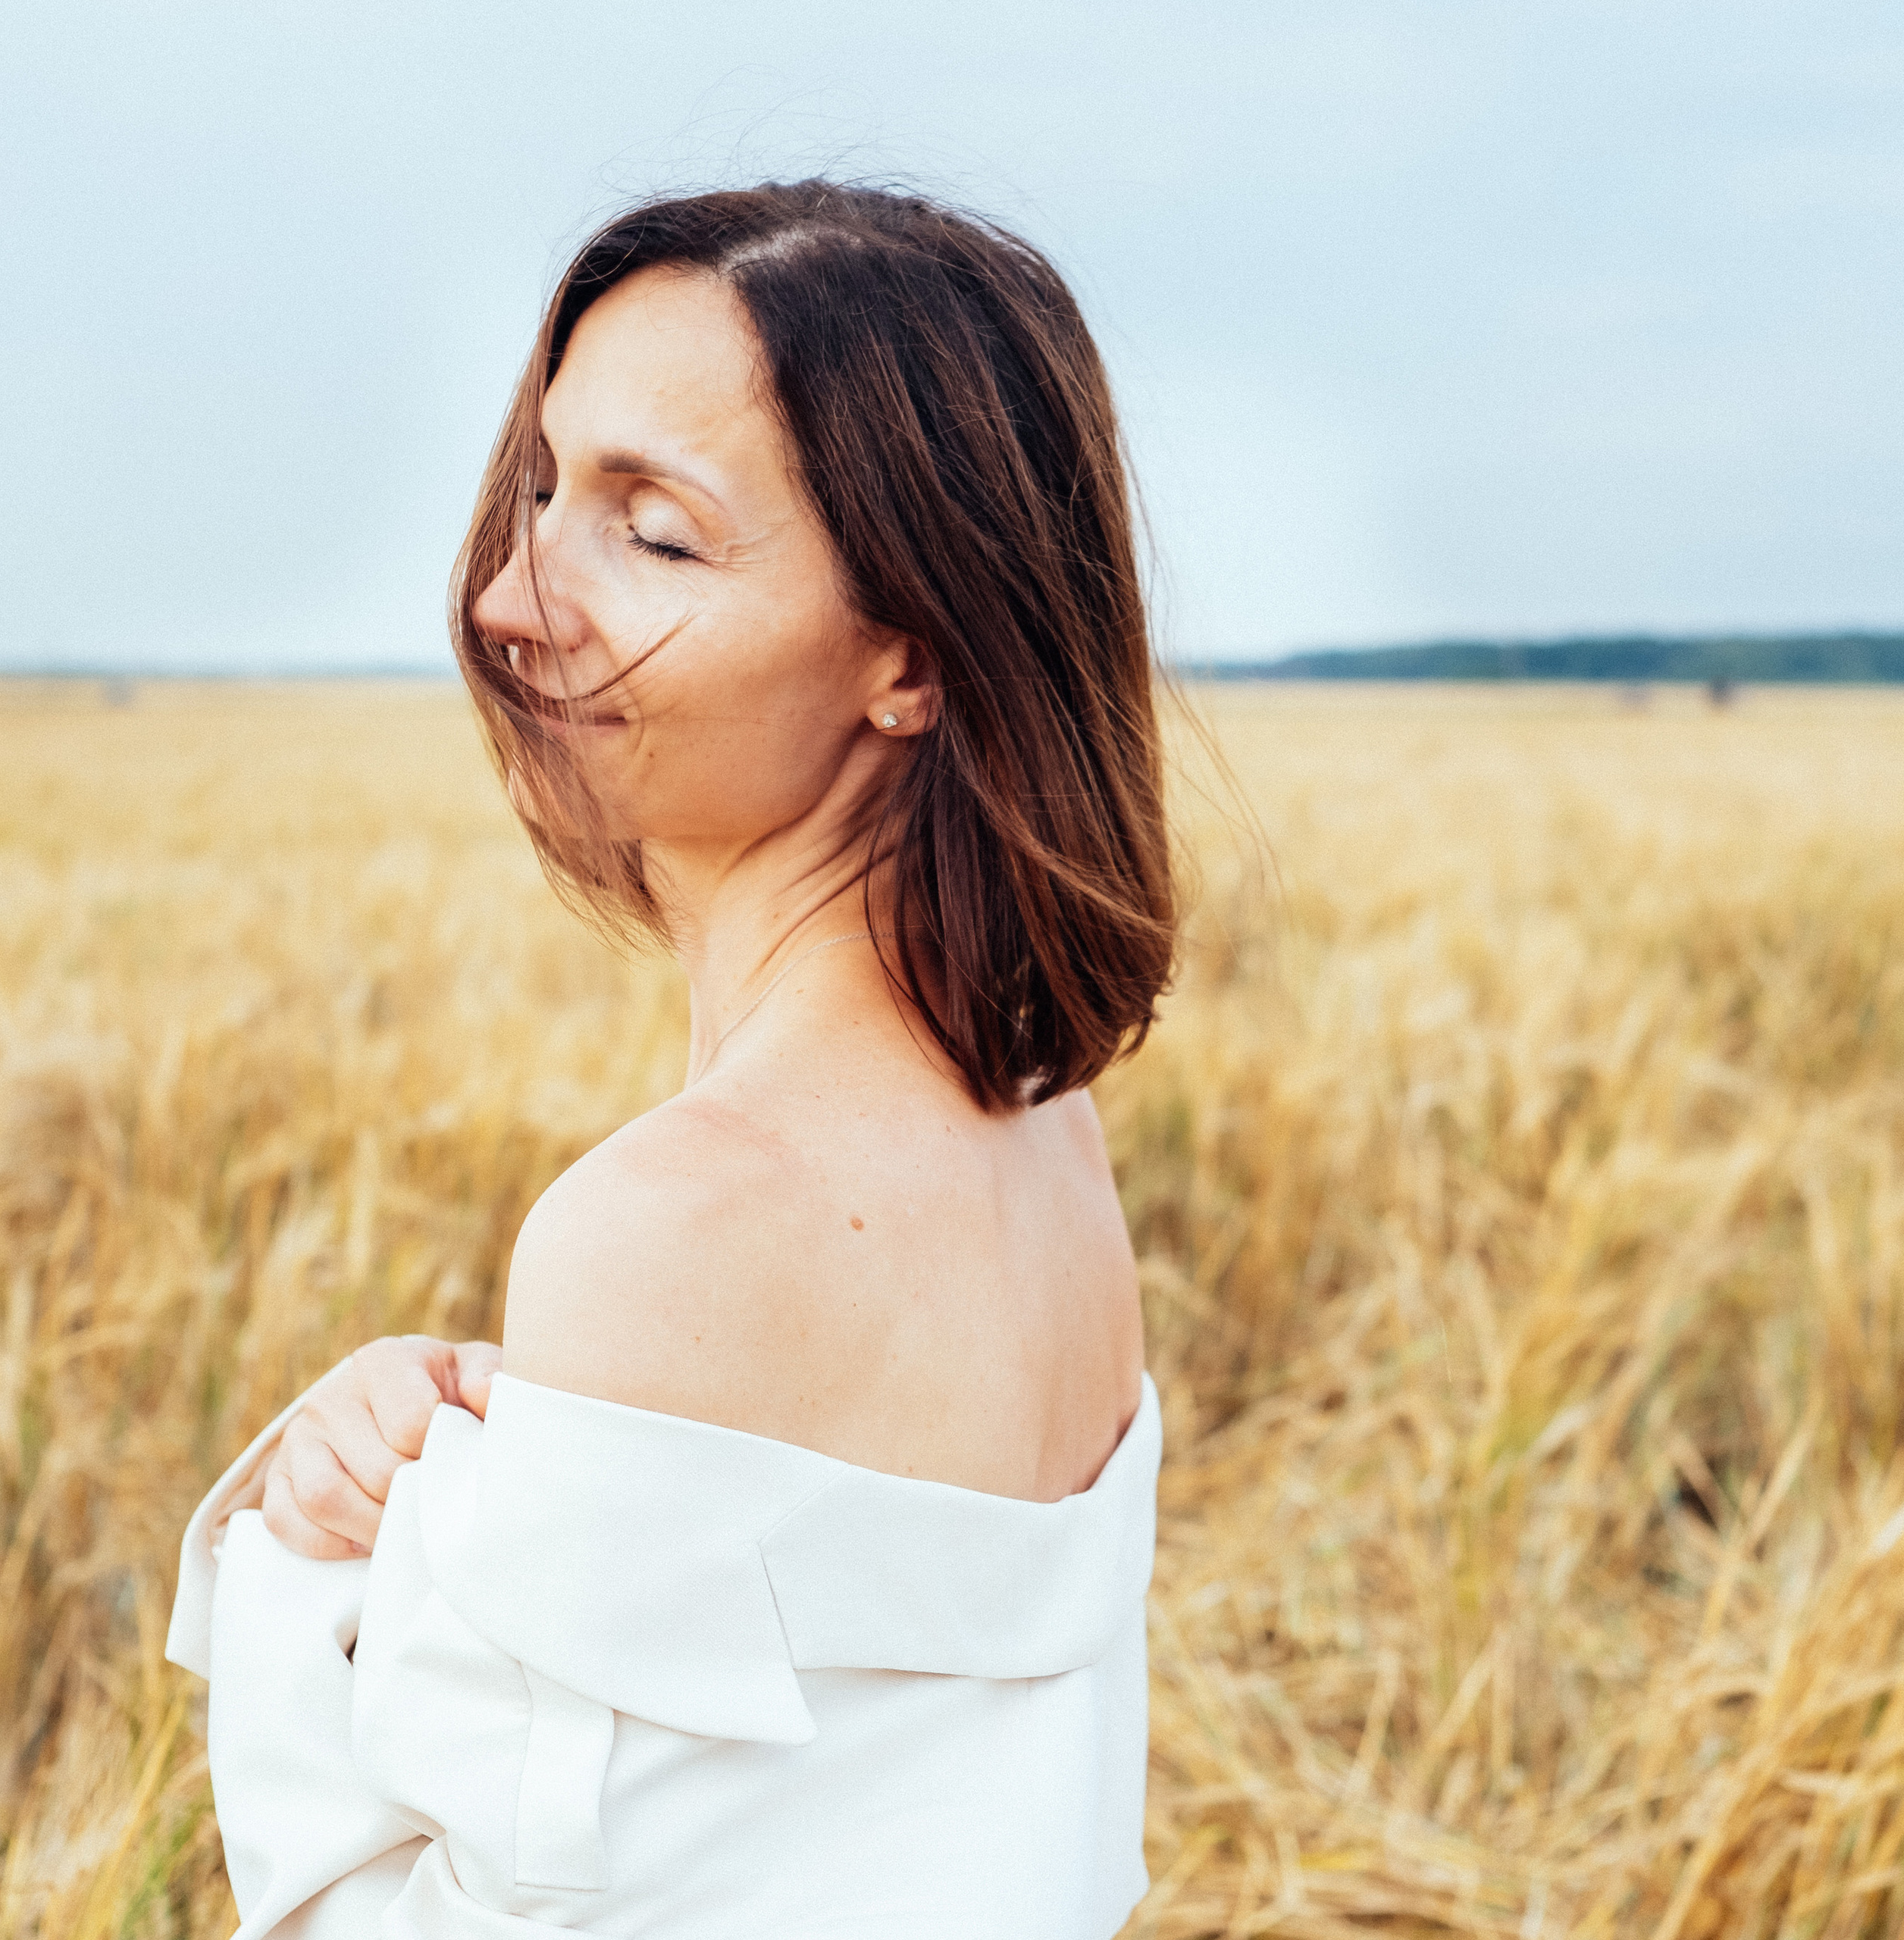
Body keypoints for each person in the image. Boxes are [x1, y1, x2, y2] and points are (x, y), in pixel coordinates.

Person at [166, 179, 1174, 1939]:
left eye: (657, 532)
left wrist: (308, 1569)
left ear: (913, 658)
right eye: (548, 486)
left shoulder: (680, 1228)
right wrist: (487, 1475)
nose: (504, 594)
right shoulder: (1042, 1130)